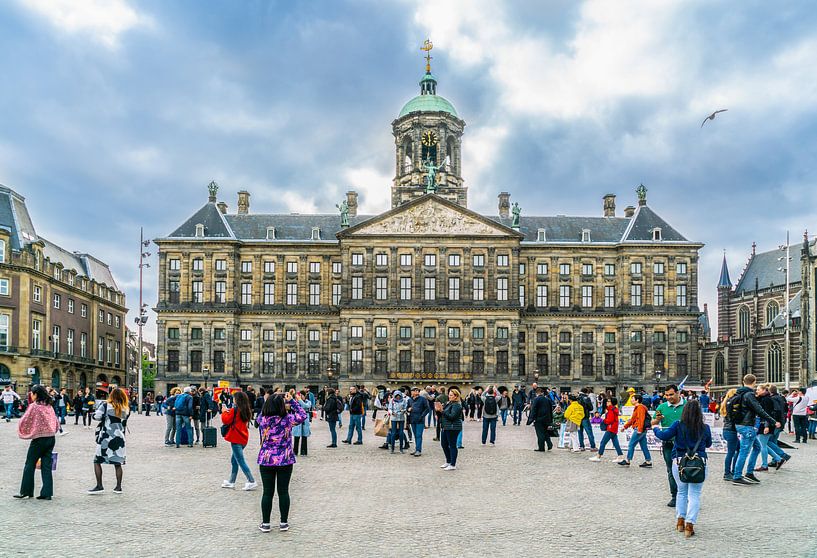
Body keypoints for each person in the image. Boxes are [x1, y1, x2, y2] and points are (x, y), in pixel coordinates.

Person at [653, 400, 712, 538]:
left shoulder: (678, 425)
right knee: (694, 494)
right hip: (699, 462)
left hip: (679, 461)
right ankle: (689, 525)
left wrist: (655, 428)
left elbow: (664, 436)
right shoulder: (705, 427)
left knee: (681, 492)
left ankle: (680, 521)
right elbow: (708, 444)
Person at [257, 392, 307, 532]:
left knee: (267, 493)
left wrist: (269, 401)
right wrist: (292, 402)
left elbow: (262, 413)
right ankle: (283, 523)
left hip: (266, 459)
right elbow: (303, 415)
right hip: (285, 459)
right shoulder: (288, 419)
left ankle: (266, 524)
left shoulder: (262, 419)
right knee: (283, 492)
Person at [731, 374, 781, 485]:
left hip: (741, 424)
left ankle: (749, 473)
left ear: (743, 381)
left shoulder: (740, 392)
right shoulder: (749, 394)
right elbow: (759, 410)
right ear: (754, 382)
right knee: (744, 451)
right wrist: (773, 421)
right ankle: (737, 476)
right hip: (747, 426)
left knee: (757, 447)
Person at [14, 385, 59, 500]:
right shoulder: (49, 405)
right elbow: (56, 421)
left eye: (32, 393)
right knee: (46, 466)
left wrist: (24, 430)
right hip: (51, 438)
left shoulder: (34, 406)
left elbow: (25, 420)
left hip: (39, 439)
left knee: (29, 464)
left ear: (36, 394)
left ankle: (26, 491)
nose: (31, 395)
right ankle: (47, 493)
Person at [87, 387, 130, 495]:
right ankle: (118, 487)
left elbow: (97, 417)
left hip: (106, 438)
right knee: (118, 463)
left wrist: (92, 414)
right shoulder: (126, 408)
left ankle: (99, 486)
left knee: (97, 461)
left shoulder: (106, 405)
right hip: (119, 439)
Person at [652, 385, 685, 507]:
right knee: (671, 470)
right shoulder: (661, 407)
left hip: (684, 444)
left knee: (686, 469)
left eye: (671, 394)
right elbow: (653, 422)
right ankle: (675, 496)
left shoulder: (687, 406)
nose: (668, 397)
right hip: (668, 444)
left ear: (678, 393)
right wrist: (657, 420)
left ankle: (685, 495)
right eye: (666, 395)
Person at [220, 390, 257, 491]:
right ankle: (231, 481)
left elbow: (226, 420)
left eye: (234, 398)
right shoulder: (245, 409)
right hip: (243, 437)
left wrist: (224, 412)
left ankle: (251, 481)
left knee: (240, 460)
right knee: (234, 460)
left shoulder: (235, 410)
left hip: (236, 438)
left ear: (237, 400)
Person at [746, 384, 786, 473]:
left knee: (762, 445)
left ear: (764, 390)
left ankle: (765, 465)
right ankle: (778, 459)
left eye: (759, 389)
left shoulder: (766, 400)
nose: (757, 391)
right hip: (765, 424)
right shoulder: (765, 399)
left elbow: (767, 414)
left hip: (765, 424)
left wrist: (767, 426)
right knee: (763, 445)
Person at [618, 394, 652, 467]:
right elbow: (632, 419)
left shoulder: (640, 407)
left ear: (637, 400)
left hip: (639, 429)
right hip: (641, 429)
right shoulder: (638, 407)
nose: (631, 400)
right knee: (644, 446)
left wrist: (639, 429)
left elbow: (641, 419)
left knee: (631, 444)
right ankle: (648, 461)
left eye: (632, 398)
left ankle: (628, 460)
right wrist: (625, 427)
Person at [590, 397, 623, 462]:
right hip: (614, 428)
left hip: (610, 428)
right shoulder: (614, 409)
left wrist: (604, 420)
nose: (607, 402)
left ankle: (598, 456)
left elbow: (610, 420)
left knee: (603, 442)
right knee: (615, 443)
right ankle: (620, 456)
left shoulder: (611, 410)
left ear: (611, 403)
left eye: (609, 401)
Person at [439, 388, 463, 471]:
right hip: (446, 426)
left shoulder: (457, 405)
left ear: (456, 396)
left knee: (452, 445)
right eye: (449, 395)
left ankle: (453, 464)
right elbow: (444, 414)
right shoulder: (449, 403)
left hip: (453, 427)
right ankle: (448, 461)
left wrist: (442, 411)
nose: (449, 396)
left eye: (451, 395)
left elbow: (452, 416)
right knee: (444, 444)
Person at [719, 388, 739, 481]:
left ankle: (732, 471)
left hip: (727, 430)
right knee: (731, 452)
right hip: (731, 431)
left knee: (737, 450)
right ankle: (727, 473)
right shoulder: (731, 405)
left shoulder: (725, 404)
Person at [527, 387, 554, 452]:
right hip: (547, 419)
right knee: (545, 432)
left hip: (539, 419)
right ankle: (549, 444)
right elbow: (551, 410)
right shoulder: (548, 399)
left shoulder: (536, 399)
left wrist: (530, 420)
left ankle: (541, 448)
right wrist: (551, 419)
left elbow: (533, 410)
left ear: (537, 393)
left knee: (540, 434)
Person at [407, 387, 430, 456]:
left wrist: (422, 416)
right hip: (412, 419)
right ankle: (416, 449)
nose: (414, 392)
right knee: (415, 435)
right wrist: (408, 409)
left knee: (419, 435)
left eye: (416, 391)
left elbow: (427, 409)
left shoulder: (423, 399)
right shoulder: (410, 400)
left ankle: (418, 450)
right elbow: (407, 408)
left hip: (420, 420)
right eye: (413, 391)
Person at [292, 390, 312, 456]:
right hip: (298, 419)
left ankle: (304, 451)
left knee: (304, 436)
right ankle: (295, 451)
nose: (300, 397)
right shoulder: (296, 402)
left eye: (302, 395)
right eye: (299, 395)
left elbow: (305, 406)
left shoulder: (308, 402)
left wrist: (300, 400)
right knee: (296, 436)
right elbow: (293, 407)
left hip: (305, 420)